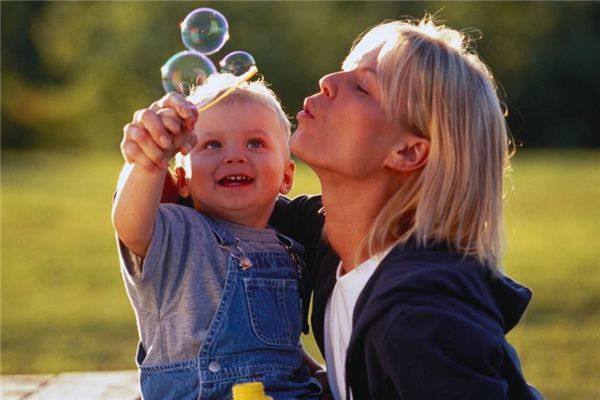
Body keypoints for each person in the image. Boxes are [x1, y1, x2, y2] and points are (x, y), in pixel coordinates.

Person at [121, 17, 542, 400]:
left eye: (362, 86)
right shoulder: (319, 237)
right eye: (343, 67)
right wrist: (149, 154)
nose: (326, 79)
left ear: (408, 151)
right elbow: (172, 222)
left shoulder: (419, 320)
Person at [112, 74, 323, 400]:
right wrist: (149, 162)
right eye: (212, 144)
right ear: (181, 179)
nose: (235, 156)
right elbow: (129, 224)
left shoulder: (288, 249)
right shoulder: (177, 234)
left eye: (256, 143)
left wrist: (317, 375)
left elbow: (278, 343)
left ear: (286, 176)